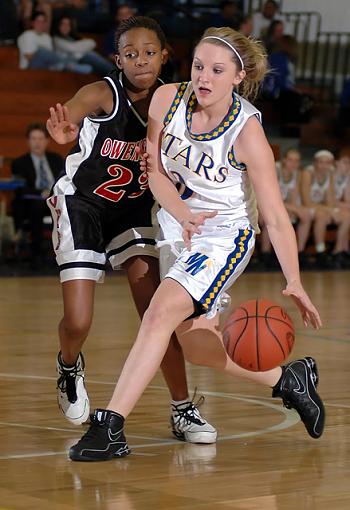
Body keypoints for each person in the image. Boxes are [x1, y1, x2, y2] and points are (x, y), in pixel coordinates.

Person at [69, 26, 325, 462]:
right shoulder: (168, 98)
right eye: (198, 65)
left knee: (159, 312)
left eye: (217, 70)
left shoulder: (247, 134)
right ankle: (287, 381)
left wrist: (295, 281)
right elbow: (155, 172)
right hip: (176, 224)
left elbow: (277, 217)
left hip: (224, 236)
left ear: (238, 77)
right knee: (197, 346)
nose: (204, 77)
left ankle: (110, 425)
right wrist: (182, 213)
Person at [46, 16, 216, 444]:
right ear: (117, 58)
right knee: (79, 320)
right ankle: (69, 365)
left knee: (156, 313)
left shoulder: (176, 101)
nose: (140, 60)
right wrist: (65, 131)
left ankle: (182, 408)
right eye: (130, 53)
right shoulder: (103, 91)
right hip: (83, 205)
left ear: (164, 55)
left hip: (133, 211)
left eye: (149, 52)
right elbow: (75, 112)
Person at [11, 122, 63, 266]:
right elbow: (20, 188)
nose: (37, 143)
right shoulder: (19, 163)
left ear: (47, 141)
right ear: (28, 141)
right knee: (37, 205)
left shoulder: (57, 159)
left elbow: (64, 181)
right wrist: (42, 193)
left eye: (40, 139)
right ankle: (37, 253)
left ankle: (66, 251)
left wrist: (51, 193)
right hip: (33, 202)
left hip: (55, 199)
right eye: (33, 139)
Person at [259, 148, 313, 269]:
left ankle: (299, 253)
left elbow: (293, 197)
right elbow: (268, 197)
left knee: (305, 214)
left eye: (297, 161)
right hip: (263, 203)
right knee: (272, 217)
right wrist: (293, 209)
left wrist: (295, 210)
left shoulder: (298, 174)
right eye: (290, 160)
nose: (293, 163)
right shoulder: (274, 169)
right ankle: (265, 254)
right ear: (284, 160)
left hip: (281, 205)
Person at [301, 150, 350, 269]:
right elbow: (307, 201)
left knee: (347, 217)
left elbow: (330, 200)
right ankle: (320, 252)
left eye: (327, 163)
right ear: (315, 163)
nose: (324, 165)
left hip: (319, 207)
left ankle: (337, 252)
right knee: (322, 216)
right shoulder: (308, 173)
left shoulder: (329, 174)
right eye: (321, 162)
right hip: (304, 207)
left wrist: (331, 209)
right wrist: (330, 210)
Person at [17, 10, 91, 73]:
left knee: (67, 56)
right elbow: (29, 57)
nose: (40, 24)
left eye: (43, 22)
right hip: (29, 68)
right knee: (41, 51)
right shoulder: (27, 35)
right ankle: (69, 65)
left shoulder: (47, 37)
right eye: (38, 21)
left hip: (47, 66)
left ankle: (66, 65)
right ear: (32, 23)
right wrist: (42, 52)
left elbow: (51, 56)